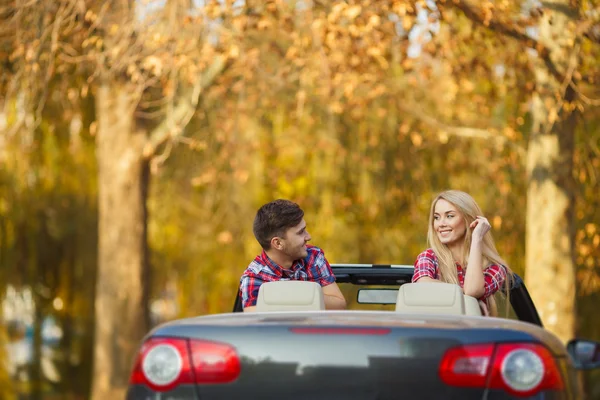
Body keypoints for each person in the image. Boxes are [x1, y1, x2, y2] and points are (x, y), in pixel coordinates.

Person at [412, 190, 513, 316]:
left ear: (469, 219)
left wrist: (477, 238)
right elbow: (423, 284)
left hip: (472, 335)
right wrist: (467, 299)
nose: (441, 224)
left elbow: (472, 290)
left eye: (449, 216)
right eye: (437, 217)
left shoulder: (494, 267)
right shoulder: (429, 257)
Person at [240, 199, 347, 312]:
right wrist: (304, 296)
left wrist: (288, 296)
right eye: (301, 232)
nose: (308, 237)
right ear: (278, 243)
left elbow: (339, 304)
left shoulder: (313, 257)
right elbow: (257, 325)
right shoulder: (254, 278)